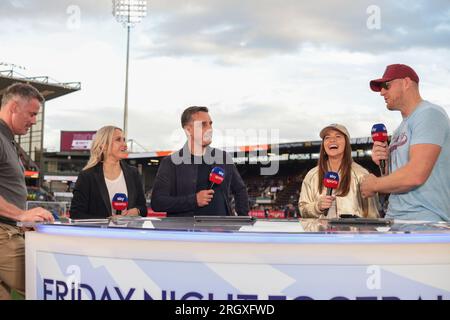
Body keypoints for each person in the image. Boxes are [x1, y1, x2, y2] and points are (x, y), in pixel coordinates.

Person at [361, 64, 450, 221]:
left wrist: (375, 184)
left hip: (425, 219)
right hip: (397, 217)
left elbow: (416, 174)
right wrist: (384, 164)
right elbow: (395, 179)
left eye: (386, 86)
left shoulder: (429, 114)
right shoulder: (399, 130)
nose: (382, 92)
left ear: (406, 82)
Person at [0, 83, 54, 300]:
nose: (34, 120)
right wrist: (21, 215)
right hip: (4, 234)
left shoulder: (8, 140)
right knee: (52, 281)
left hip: (10, 230)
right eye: (31, 114)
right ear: (14, 107)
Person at [151, 106, 249, 216]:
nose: (210, 129)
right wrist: (194, 200)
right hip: (187, 232)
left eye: (210, 124)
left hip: (222, 231)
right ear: (188, 130)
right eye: (203, 124)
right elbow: (157, 202)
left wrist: (242, 219)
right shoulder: (171, 162)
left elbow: (240, 190)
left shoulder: (223, 158)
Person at [299, 124, 379, 218]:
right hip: (319, 232)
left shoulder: (362, 174)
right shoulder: (311, 175)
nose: (332, 140)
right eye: (327, 137)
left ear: (347, 143)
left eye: (338, 136)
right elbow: (302, 210)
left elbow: (372, 215)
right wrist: (317, 206)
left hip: (353, 232)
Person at [70, 126, 147, 219]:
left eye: (124, 140)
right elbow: (76, 214)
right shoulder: (87, 176)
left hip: (128, 233)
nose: (125, 145)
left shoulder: (133, 173)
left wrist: (137, 211)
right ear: (104, 145)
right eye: (118, 140)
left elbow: (143, 208)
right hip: (100, 233)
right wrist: (107, 221)